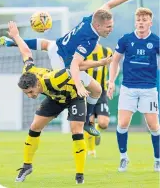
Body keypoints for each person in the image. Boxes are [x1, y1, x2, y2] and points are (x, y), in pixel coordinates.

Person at [0, 0, 145, 136]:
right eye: (108, 27)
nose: (111, 29)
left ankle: (13, 42)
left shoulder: (92, 18)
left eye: (112, 26)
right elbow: (76, 65)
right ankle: (86, 121)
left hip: (56, 46)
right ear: (98, 25)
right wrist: (79, 85)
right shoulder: (90, 40)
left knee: (44, 43)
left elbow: (109, 4)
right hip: (61, 62)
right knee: (96, 89)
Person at [6, 21, 102, 184]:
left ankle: (79, 175)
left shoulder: (55, 78)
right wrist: (16, 36)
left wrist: (100, 63)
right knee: (35, 127)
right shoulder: (28, 73)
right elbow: (26, 52)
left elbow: (75, 67)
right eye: (26, 93)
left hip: (74, 96)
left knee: (75, 129)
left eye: (30, 92)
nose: (29, 95)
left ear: (37, 84)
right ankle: (27, 166)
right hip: (55, 98)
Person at [107, 7, 160, 172]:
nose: (141, 23)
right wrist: (111, 81)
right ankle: (123, 158)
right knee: (123, 123)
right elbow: (115, 61)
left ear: (150, 23)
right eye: (138, 20)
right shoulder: (126, 39)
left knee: (153, 126)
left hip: (149, 88)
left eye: (144, 21)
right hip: (128, 88)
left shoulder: (156, 41)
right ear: (135, 22)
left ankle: (157, 160)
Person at [84, 43, 113, 157]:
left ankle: (97, 132)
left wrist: (111, 80)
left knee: (104, 123)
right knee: (89, 122)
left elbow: (115, 64)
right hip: (87, 92)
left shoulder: (106, 51)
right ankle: (91, 151)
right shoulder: (83, 52)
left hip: (101, 93)